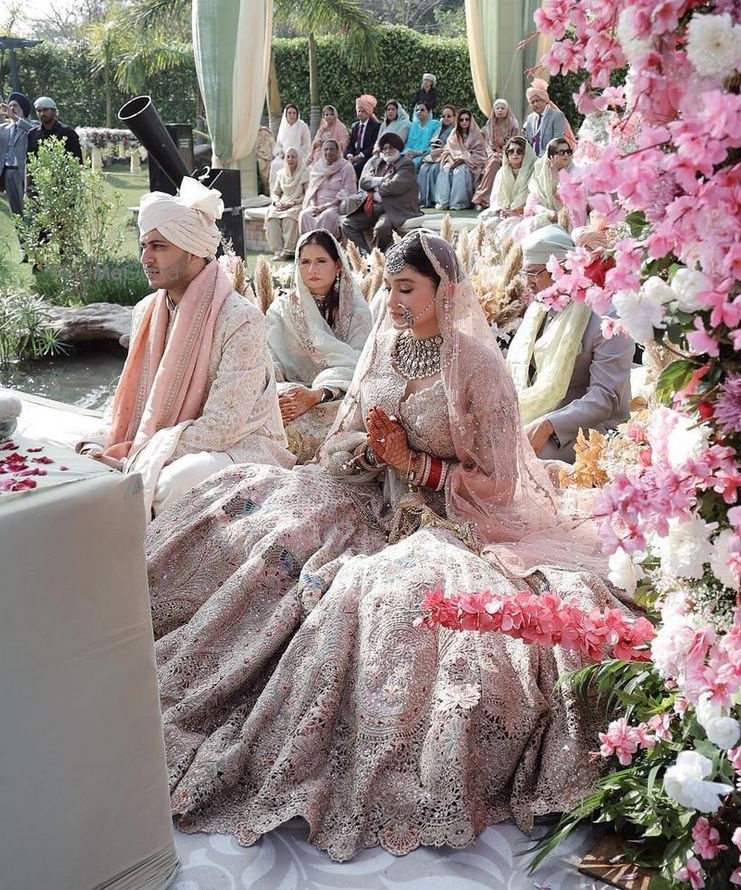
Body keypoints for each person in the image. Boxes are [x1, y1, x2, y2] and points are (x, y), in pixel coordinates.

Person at [145, 230, 615, 860]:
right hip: (367, 496)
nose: (392, 302)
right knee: (255, 512)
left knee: (384, 601)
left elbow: (499, 482)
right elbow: (342, 439)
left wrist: (416, 465)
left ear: (442, 292)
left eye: (405, 289)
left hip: (448, 518)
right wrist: (367, 449)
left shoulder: (476, 367)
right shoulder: (388, 343)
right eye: (389, 288)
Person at [78, 176, 292, 521]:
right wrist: (103, 441)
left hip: (243, 444)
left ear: (193, 250)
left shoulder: (240, 318)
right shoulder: (146, 311)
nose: (145, 258)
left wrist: (143, 453)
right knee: (84, 460)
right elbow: (129, 399)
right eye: (144, 245)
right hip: (164, 441)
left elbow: (223, 425)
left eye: (159, 247)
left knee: (170, 482)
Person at [506, 225, 635, 463]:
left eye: (534, 274)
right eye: (526, 274)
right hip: (541, 416)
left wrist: (548, 425)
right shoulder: (541, 308)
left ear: (562, 269)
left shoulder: (607, 318)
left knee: (520, 460)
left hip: (592, 427)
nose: (529, 284)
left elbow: (605, 397)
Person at [265, 229, 373, 462]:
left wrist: (319, 393)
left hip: (339, 397)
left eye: (321, 261)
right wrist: (281, 396)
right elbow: (269, 362)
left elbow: (363, 364)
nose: (312, 270)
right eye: (305, 262)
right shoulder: (281, 310)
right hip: (294, 397)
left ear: (337, 265)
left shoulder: (356, 310)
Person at [341, 131, 419, 252]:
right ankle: (367, 256)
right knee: (347, 224)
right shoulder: (379, 163)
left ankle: (379, 259)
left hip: (396, 208)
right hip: (375, 207)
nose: (387, 150)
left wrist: (374, 189)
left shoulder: (406, 164)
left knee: (381, 228)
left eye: (391, 147)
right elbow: (363, 182)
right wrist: (380, 180)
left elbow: (395, 186)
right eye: (384, 148)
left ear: (398, 148)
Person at [478, 136, 536, 244]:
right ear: (506, 154)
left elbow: (535, 197)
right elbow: (495, 198)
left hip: (526, 215)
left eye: (519, 151)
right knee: (485, 227)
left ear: (526, 153)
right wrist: (501, 210)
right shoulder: (502, 172)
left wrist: (518, 210)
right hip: (505, 213)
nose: (515, 154)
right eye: (511, 151)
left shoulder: (533, 172)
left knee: (507, 229)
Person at [0, 93, 38, 217]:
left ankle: (32, 235)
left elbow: (35, 134)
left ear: (23, 109)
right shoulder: (0, 128)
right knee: (15, 211)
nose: (11, 109)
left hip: (25, 173)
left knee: (29, 208)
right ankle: (21, 235)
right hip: (8, 173)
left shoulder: (32, 125)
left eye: (15, 106)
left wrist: (17, 119)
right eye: (9, 106)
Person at [297, 138, 356, 239]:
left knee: (326, 216)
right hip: (317, 205)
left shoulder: (346, 167)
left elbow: (348, 191)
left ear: (338, 151)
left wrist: (326, 206)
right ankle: (308, 246)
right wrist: (313, 205)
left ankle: (325, 248)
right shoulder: (318, 167)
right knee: (304, 214)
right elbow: (312, 190)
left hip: (335, 206)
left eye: (332, 149)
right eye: (326, 149)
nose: (328, 152)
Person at [521, 136, 577, 234]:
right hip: (545, 216)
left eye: (568, 152)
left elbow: (572, 201)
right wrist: (547, 213)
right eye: (561, 152)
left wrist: (556, 176)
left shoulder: (574, 172)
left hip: (568, 218)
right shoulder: (541, 174)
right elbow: (532, 203)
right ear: (550, 156)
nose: (566, 155)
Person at [434, 108, 487, 210]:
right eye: (461, 120)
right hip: (453, 160)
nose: (464, 122)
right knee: (445, 169)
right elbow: (447, 149)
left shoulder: (477, 134)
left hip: (471, 163)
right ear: (458, 121)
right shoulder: (454, 133)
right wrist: (450, 159)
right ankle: (443, 201)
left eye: (467, 119)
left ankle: (458, 203)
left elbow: (480, 153)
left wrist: (464, 159)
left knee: (460, 171)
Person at [472, 98, 520, 210]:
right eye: (497, 108)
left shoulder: (513, 123)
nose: (500, 110)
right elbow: (486, 143)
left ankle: (482, 198)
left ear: (507, 110)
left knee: (494, 162)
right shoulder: (490, 123)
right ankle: (483, 198)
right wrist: (490, 153)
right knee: (491, 161)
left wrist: (503, 152)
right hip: (490, 154)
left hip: (509, 153)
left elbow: (515, 141)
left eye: (503, 108)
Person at [264, 147, 308, 259]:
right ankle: (278, 251)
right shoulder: (281, 174)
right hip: (282, 203)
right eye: (288, 156)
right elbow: (275, 192)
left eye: (293, 156)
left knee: (290, 216)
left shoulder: (304, 173)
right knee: (271, 215)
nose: (290, 159)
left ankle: (289, 250)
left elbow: (307, 195)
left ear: (298, 158)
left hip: (297, 203)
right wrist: (276, 202)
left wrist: (292, 203)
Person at [522, 79, 574, 157]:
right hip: (531, 157)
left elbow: (557, 141)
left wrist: (544, 156)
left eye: (537, 100)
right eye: (532, 102)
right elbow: (528, 140)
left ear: (545, 101)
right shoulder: (530, 118)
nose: (535, 104)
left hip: (550, 156)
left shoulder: (557, 115)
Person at [416, 103, 455, 206]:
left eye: (449, 116)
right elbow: (431, 143)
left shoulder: (455, 130)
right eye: (443, 116)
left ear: (454, 117)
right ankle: (423, 199)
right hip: (434, 156)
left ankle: (434, 199)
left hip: (448, 156)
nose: (446, 118)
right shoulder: (439, 128)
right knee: (424, 168)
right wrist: (432, 152)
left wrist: (441, 151)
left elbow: (455, 146)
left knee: (434, 169)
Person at [270, 104, 312, 189]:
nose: (292, 115)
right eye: (289, 113)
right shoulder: (283, 126)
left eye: (294, 113)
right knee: (275, 164)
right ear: (286, 114)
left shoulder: (302, 126)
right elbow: (279, 143)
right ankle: (276, 192)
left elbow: (306, 144)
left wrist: (295, 154)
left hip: (300, 155)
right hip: (284, 156)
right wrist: (280, 153)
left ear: (297, 114)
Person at [32, 96, 83, 163]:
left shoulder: (68, 133)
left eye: (45, 110)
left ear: (54, 111)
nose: (42, 113)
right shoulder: (32, 134)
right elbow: (30, 162)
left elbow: (77, 161)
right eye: (39, 111)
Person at [346, 95, 380, 178]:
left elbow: (373, 145)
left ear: (368, 113)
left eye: (363, 111)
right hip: (354, 155)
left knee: (356, 168)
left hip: (367, 155)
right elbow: (351, 144)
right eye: (358, 111)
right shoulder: (355, 126)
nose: (360, 113)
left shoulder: (375, 126)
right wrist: (350, 156)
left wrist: (359, 156)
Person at [403, 101, 440, 172]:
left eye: (422, 110)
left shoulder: (435, 124)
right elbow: (409, 143)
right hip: (411, 154)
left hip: (425, 154)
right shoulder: (413, 126)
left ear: (428, 112)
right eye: (417, 110)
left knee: (412, 164)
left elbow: (434, 144)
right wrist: (408, 152)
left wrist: (419, 153)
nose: (419, 112)